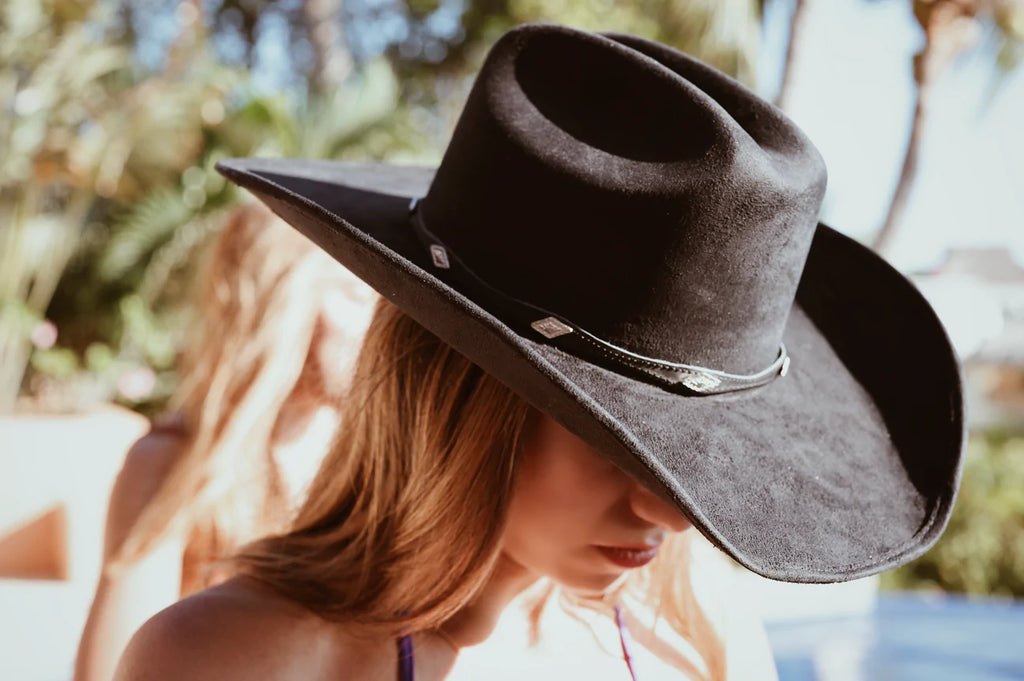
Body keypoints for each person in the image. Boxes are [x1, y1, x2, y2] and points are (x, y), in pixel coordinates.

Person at [114, 23, 965, 681]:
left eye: (697, 457)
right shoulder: (229, 658)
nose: (669, 513)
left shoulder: (698, 645)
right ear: (461, 395)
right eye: (618, 439)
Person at [74, 203, 376, 681]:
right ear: (282, 303)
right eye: (359, 296)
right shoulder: (171, 464)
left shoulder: (372, 471)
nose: (379, 327)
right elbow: (109, 670)